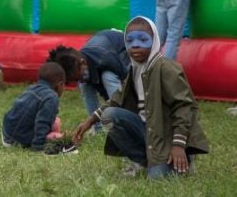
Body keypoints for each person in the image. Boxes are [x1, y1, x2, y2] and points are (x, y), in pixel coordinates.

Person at [72, 16, 209, 179]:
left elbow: (184, 107)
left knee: (158, 179)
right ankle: (146, 160)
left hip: (167, 137)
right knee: (109, 116)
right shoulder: (135, 69)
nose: (135, 45)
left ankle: (183, 158)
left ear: (155, 41)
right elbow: (117, 99)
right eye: (130, 41)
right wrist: (89, 121)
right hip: (147, 132)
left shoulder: (167, 68)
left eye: (143, 40)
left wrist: (178, 145)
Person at [48, 29, 130, 132]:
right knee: (85, 85)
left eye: (79, 78)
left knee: (107, 76)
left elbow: (127, 81)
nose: (80, 80)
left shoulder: (105, 59)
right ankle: (98, 128)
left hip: (123, 51)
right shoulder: (80, 64)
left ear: (82, 63)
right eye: (75, 80)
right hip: (104, 55)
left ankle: (122, 121)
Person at [1, 62, 77, 155]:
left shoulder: (32, 88)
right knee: (58, 136)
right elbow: (42, 122)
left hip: (7, 132)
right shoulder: (51, 97)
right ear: (60, 84)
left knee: (55, 121)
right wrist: (39, 146)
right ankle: (51, 139)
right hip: (18, 139)